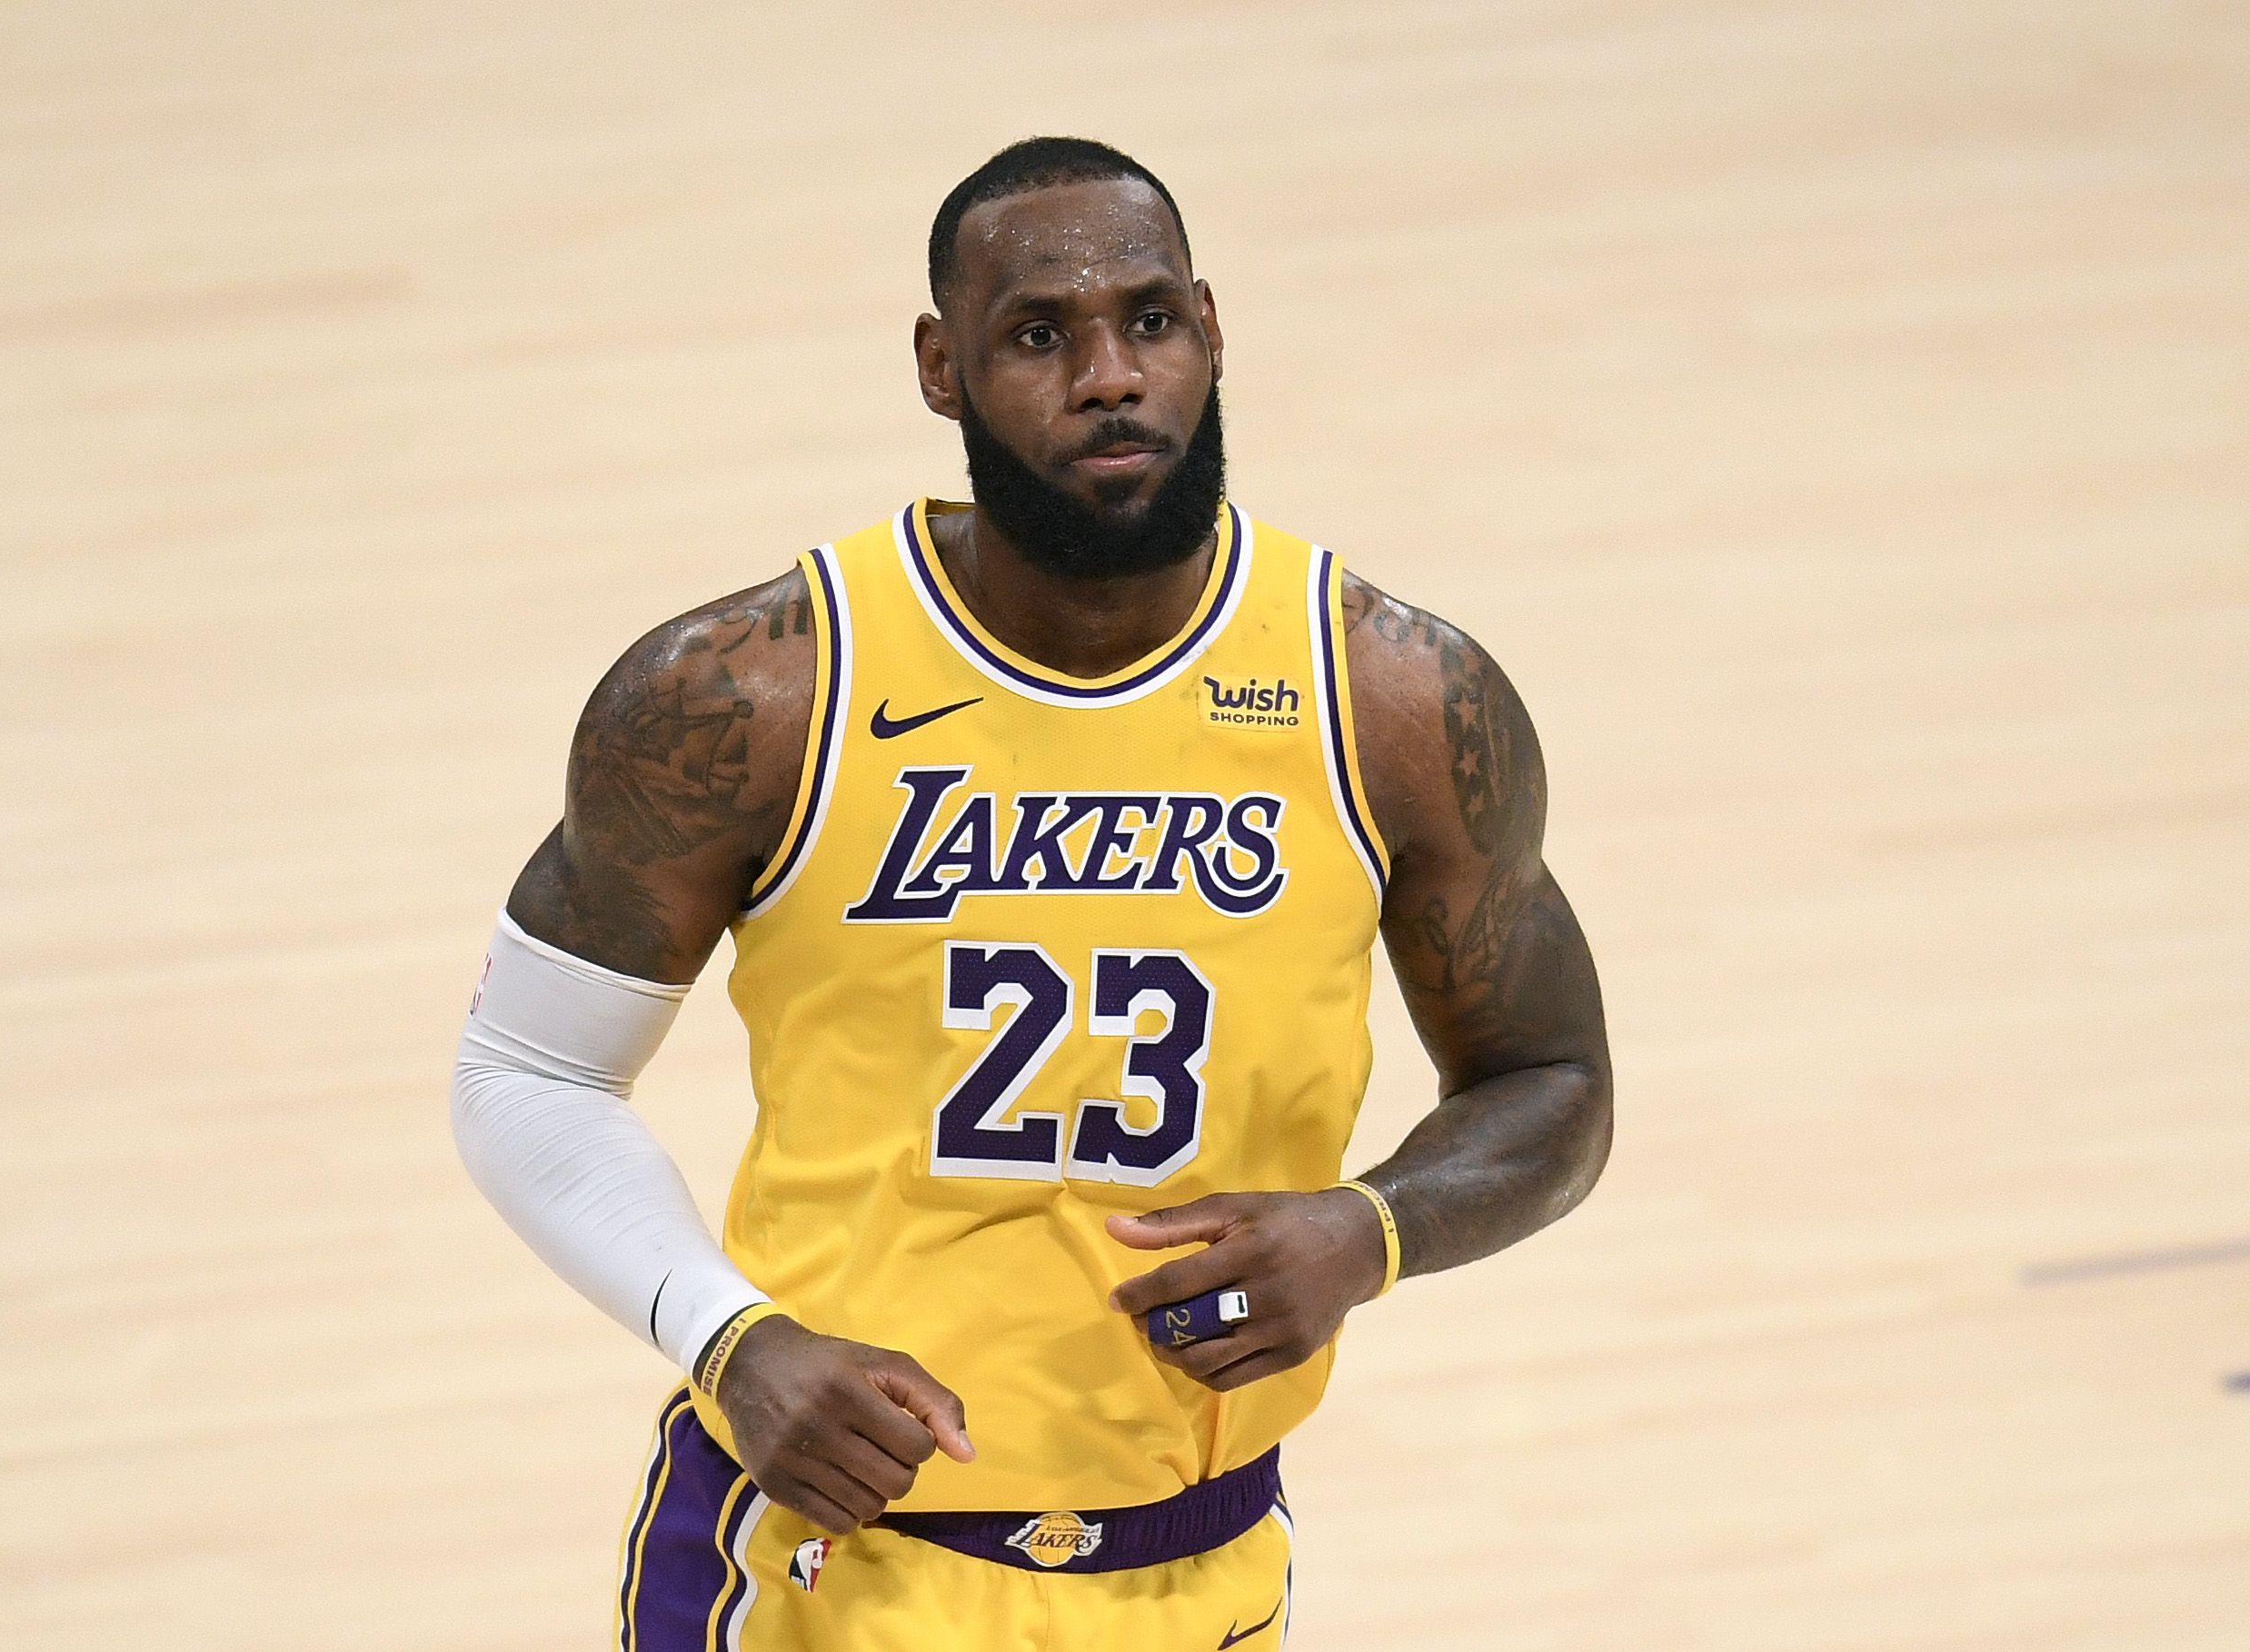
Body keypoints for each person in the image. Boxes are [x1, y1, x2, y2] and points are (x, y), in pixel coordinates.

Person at [453, 135, 1611, 1651]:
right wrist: (729, 1338)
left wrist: (1370, 1229)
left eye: (1149, 320)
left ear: (1212, 325)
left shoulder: (1390, 697)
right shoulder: (752, 694)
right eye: (1039, 335)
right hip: (826, 1560)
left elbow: (1554, 1078)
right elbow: (528, 1070)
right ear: (941, 367)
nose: (1111, 375)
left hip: (1195, 1571)